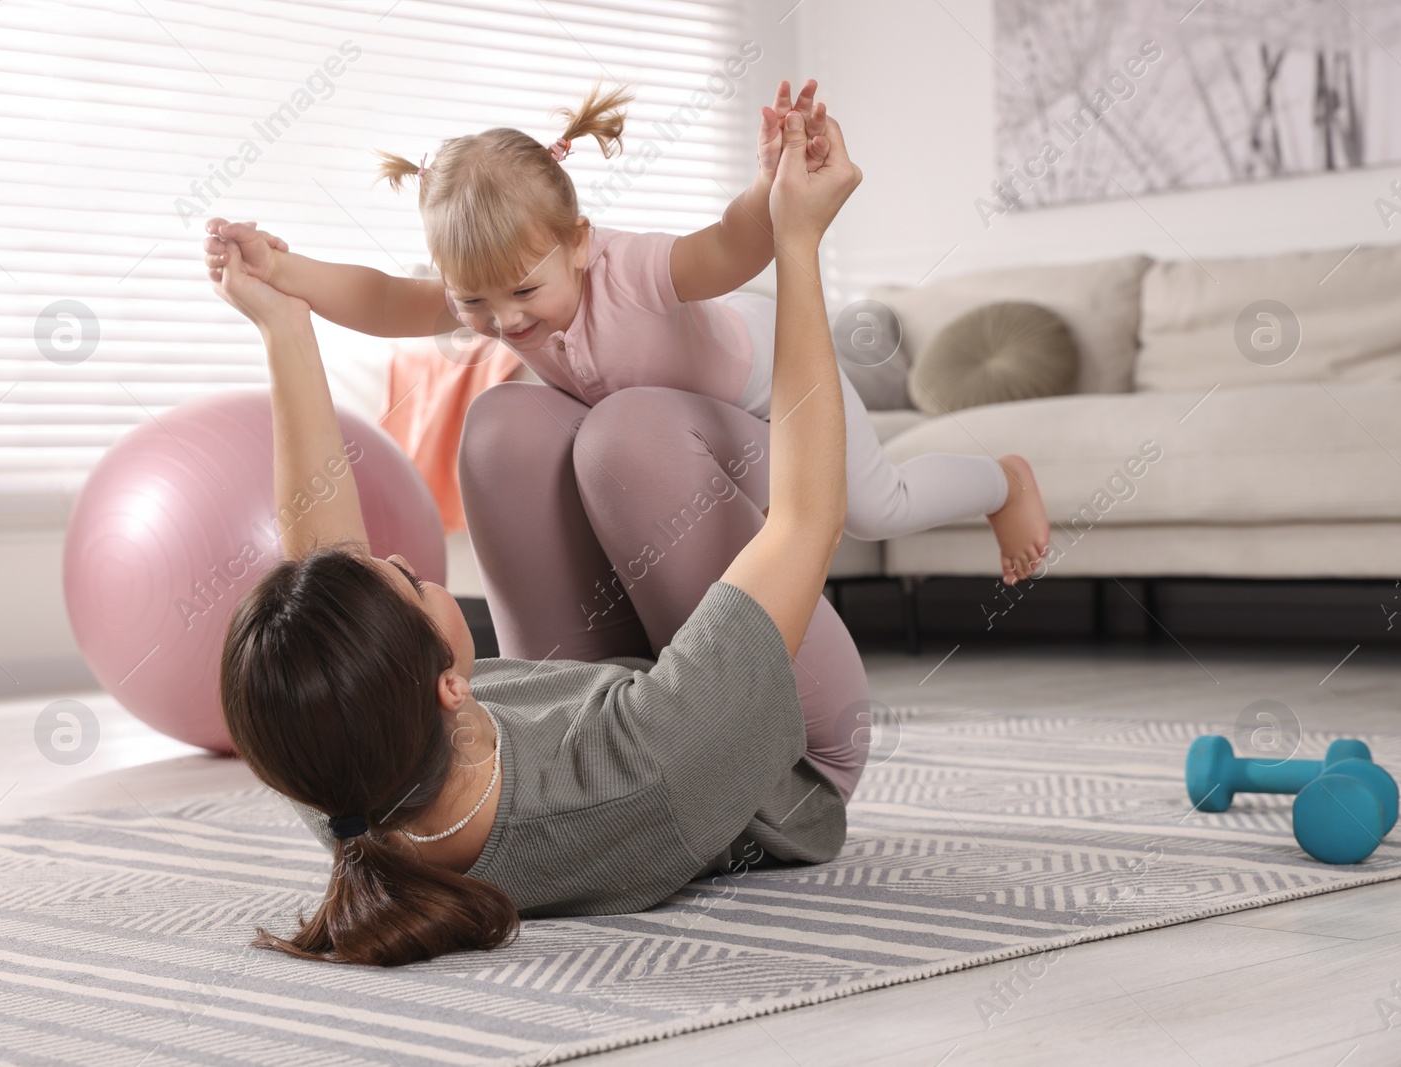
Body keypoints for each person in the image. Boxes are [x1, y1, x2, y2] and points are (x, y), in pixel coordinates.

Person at [209, 107, 870, 967]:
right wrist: (798, 243)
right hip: (789, 757)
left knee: (501, 426)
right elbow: (805, 518)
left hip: (597, 688)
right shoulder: (644, 764)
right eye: (409, 583)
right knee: (629, 436)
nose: (404, 560)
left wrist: (282, 319)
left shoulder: (345, 773)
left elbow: (317, 560)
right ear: (448, 686)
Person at [202, 80, 1049, 584]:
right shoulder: (497, 297)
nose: (505, 322)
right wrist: (285, 271)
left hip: (766, 372)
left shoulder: (627, 269)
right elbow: (388, 299)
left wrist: (771, 189)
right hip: (685, 427)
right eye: (475, 303)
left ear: (577, 242)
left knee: (873, 506)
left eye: (524, 291)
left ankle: (1001, 482)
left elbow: (726, 250)